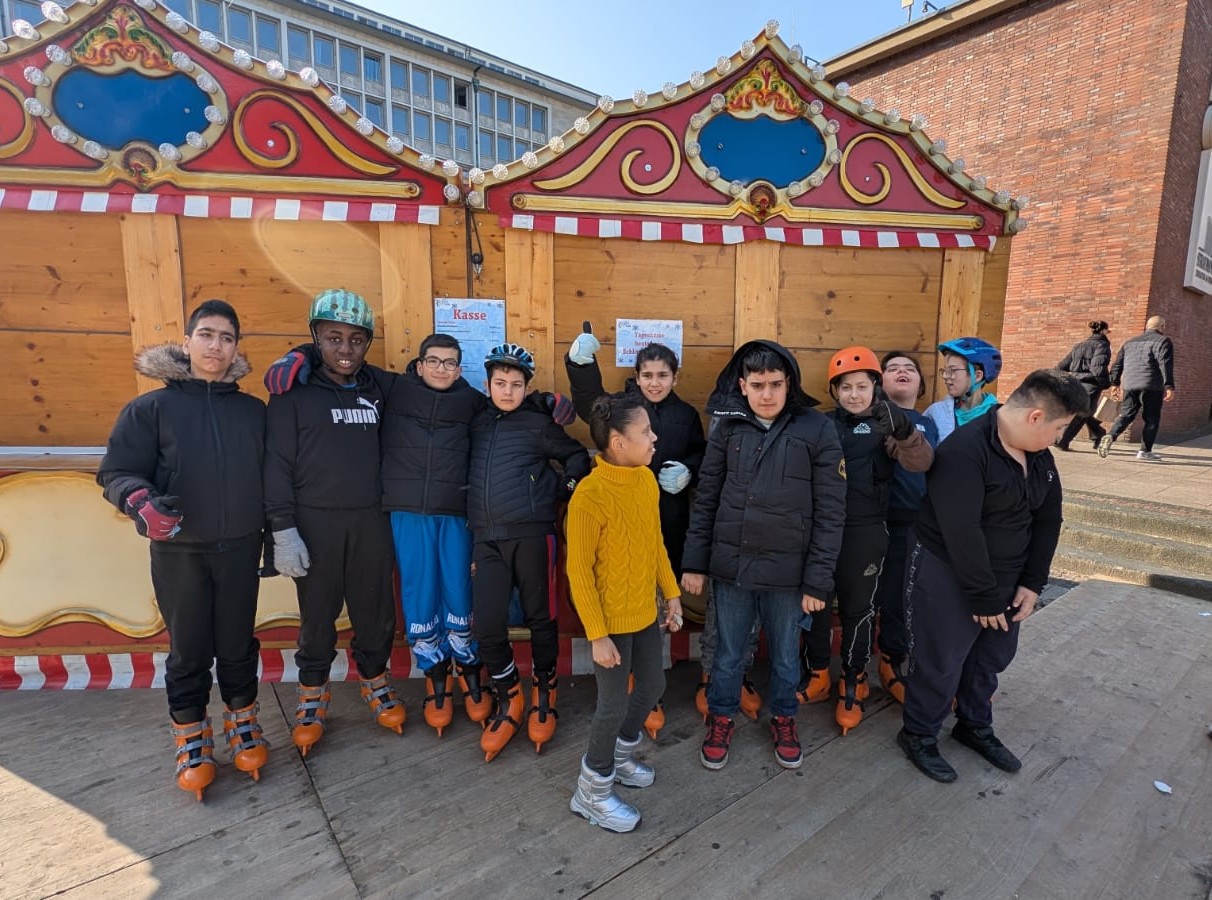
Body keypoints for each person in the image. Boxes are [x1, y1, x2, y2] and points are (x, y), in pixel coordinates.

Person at [264, 333, 576, 738]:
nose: (441, 369)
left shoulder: (472, 401)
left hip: (457, 511)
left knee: (459, 592)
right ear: (419, 364)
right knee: (419, 592)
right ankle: (435, 675)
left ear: (460, 370)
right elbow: (345, 358)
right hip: (407, 510)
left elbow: (512, 406)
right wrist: (301, 355)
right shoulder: (394, 387)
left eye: (450, 363)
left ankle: (470, 670)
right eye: (434, 361)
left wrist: (545, 402)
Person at [97, 300, 268, 800]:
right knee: (189, 648)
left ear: (236, 348)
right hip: (179, 552)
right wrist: (139, 501)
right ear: (188, 340)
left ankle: (243, 721)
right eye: (207, 335)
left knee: (237, 643)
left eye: (227, 338)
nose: (216, 346)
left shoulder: (253, 412)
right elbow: (117, 472)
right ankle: (191, 734)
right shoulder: (151, 409)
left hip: (240, 547)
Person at [897, 370, 1089, 782]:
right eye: (1059, 428)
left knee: (991, 657)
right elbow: (961, 531)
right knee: (940, 660)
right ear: (1035, 417)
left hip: (1008, 575)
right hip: (947, 571)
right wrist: (983, 596)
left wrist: (1033, 582)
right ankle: (919, 734)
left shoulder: (1039, 456)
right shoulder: (964, 452)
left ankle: (974, 724)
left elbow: (1048, 519)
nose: (1058, 438)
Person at [682, 340, 847, 771]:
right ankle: (721, 717)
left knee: (787, 656)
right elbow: (707, 497)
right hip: (733, 568)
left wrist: (818, 582)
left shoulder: (817, 429)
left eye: (775, 384)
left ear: (789, 382)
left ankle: (785, 719)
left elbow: (831, 512)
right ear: (742, 385)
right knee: (727, 653)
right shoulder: (728, 426)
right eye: (757, 385)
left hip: (790, 574)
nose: (767, 394)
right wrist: (695, 562)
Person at [263, 290, 405, 757]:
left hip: (370, 519)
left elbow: (430, 391)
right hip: (314, 522)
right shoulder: (292, 393)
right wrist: (282, 527)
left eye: (356, 340)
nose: (346, 349)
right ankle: (312, 690)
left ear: (368, 344)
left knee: (375, 610)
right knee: (318, 613)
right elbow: (276, 464)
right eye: (332, 338)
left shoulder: (378, 386)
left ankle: (375, 679)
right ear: (316, 338)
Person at [565, 327, 710, 735]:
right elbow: (589, 403)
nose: (655, 383)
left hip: (667, 521)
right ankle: (633, 684)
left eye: (662, 375)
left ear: (675, 378)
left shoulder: (685, 415)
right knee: (626, 612)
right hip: (616, 534)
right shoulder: (625, 409)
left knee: (656, 613)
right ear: (637, 377)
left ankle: (649, 686)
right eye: (647, 375)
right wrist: (579, 366)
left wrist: (689, 470)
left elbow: (700, 452)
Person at [566, 394, 684, 833]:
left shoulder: (646, 481)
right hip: (609, 626)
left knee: (653, 684)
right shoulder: (589, 497)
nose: (654, 439)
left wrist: (671, 594)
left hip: (644, 613)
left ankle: (618, 758)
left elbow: (654, 544)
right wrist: (597, 636)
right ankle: (591, 792)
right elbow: (579, 573)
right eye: (645, 432)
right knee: (612, 706)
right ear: (618, 443)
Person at [470, 343, 590, 761]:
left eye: (517, 385)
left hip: (534, 535)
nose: (507, 391)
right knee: (487, 628)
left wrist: (562, 490)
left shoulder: (538, 424)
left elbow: (576, 457)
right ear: (487, 385)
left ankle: (545, 690)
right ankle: (511, 695)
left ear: (526, 387)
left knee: (541, 619)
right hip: (486, 538)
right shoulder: (476, 421)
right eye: (500, 383)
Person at [805, 348, 932, 735]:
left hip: (868, 528)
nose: (854, 395)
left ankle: (854, 677)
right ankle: (817, 672)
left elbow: (920, 462)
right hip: (823, 529)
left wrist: (905, 432)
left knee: (859, 608)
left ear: (875, 387)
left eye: (862, 386)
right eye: (846, 387)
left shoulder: (886, 425)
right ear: (834, 390)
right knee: (816, 604)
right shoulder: (821, 424)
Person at [874, 351, 939, 704]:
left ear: (920, 383)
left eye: (910, 368)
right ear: (880, 380)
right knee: (890, 595)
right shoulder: (873, 418)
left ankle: (909, 657)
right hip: (885, 523)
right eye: (893, 368)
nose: (902, 372)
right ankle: (889, 658)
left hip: (924, 526)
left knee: (915, 595)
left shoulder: (931, 423)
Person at [1098, 315, 1176, 461]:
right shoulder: (1163, 341)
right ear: (1162, 327)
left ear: (1147, 327)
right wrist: (1169, 386)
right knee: (1151, 419)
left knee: (1126, 415)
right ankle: (1144, 451)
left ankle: (1111, 435)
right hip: (1151, 386)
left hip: (1129, 385)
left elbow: (1117, 364)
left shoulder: (1129, 342)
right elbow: (1165, 364)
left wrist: (1115, 383)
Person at [923, 337, 1002, 443]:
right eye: (945, 370)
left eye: (953, 370)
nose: (945, 376)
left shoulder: (999, 418)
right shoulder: (935, 413)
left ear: (977, 376)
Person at [1055, 320, 1111, 451]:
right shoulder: (1102, 345)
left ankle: (1098, 435)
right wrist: (1106, 383)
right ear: (1103, 331)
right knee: (1081, 413)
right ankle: (1063, 441)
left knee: (1083, 412)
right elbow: (1098, 369)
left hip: (1075, 383)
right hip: (1091, 384)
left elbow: (1062, 365)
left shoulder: (1079, 346)